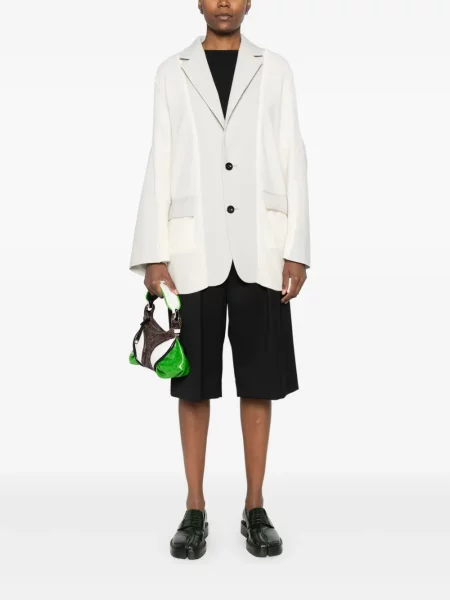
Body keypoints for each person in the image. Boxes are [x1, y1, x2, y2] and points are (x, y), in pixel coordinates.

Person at [129, 0, 310, 560]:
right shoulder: (171, 71)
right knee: (193, 385)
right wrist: (154, 254)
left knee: (259, 381)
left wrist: (297, 249)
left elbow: (293, 155)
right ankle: (195, 508)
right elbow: (160, 159)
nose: (224, 2)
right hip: (193, 250)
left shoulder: (275, 69)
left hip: (261, 247)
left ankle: (255, 507)